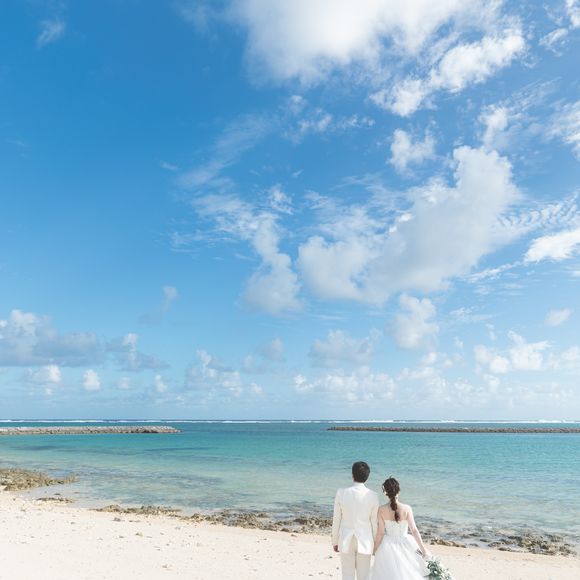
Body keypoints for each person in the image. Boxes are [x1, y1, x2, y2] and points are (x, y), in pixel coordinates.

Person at [371, 477, 431, 580]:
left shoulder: (381, 509)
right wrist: (423, 550)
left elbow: (380, 533)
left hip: (387, 545)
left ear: (385, 492)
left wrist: (374, 549)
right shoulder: (407, 509)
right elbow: (414, 530)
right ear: (398, 491)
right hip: (406, 543)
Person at [332, 461, 380, 580]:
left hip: (346, 540)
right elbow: (374, 523)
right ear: (367, 477)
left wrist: (335, 540)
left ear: (352, 475)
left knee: (347, 576)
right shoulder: (373, 495)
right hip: (365, 541)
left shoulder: (341, 493)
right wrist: (376, 544)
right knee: (364, 577)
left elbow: (336, 519)